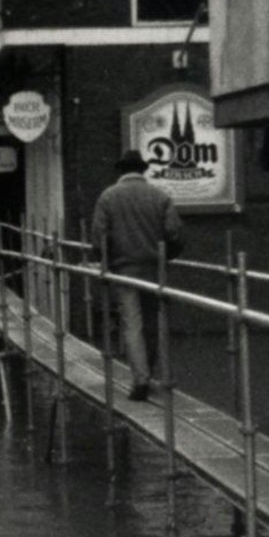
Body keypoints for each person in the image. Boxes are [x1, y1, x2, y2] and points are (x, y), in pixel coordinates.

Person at [91, 149, 183, 400]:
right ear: (143, 170)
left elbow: (99, 237)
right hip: (154, 270)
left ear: (120, 170)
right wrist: (164, 257)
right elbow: (174, 234)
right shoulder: (161, 196)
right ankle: (152, 373)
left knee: (132, 324)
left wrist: (106, 262)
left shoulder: (108, 197)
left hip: (125, 270)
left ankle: (140, 379)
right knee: (153, 323)